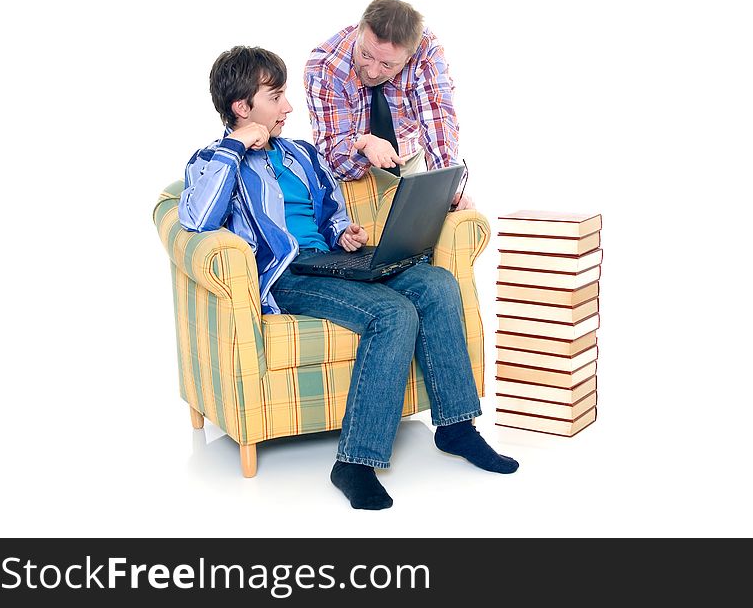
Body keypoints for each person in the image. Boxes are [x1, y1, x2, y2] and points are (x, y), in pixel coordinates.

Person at [179, 46, 517, 510]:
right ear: (243, 108)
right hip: (287, 275)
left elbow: (331, 205)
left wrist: (345, 232)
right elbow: (197, 217)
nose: (288, 107)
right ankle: (355, 463)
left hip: (333, 261)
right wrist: (237, 146)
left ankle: (457, 427)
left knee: (437, 284)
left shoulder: (300, 154)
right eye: (276, 97)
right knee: (392, 313)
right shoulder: (213, 159)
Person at [305, 0, 473, 209]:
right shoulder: (324, 66)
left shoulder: (426, 51)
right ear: (359, 32)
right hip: (349, 163)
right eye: (365, 54)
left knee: (412, 227)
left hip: (406, 157)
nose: (373, 72)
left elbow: (438, 121)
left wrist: (449, 189)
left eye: (387, 64)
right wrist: (364, 145)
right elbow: (333, 157)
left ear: (408, 57)